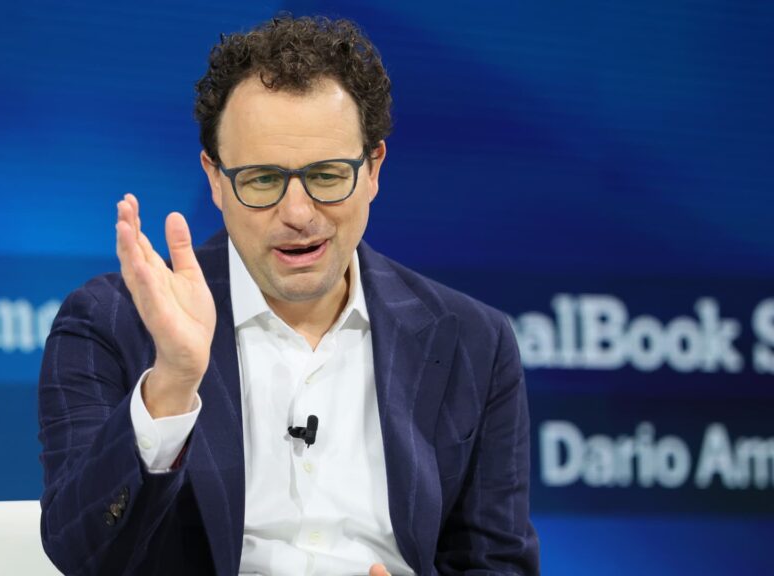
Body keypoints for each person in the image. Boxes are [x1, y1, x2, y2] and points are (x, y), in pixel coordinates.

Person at [38, 15, 539, 576]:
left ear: (373, 169)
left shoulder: (473, 340)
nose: (298, 214)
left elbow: (498, 563)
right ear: (216, 179)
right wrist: (172, 384)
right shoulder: (111, 322)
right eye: (262, 179)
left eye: (327, 175)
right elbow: (79, 553)